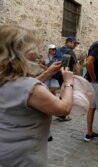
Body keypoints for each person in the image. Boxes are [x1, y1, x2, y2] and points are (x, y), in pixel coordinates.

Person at [0, 25, 74, 166]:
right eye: (32, 47)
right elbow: (64, 109)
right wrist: (69, 83)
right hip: (26, 158)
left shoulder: (5, 78)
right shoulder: (28, 87)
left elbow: (21, 92)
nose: (37, 52)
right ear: (20, 52)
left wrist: (47, 74)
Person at [57, 36, 81, 121]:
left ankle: (59, 112)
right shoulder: (70, 52)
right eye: (74, 43)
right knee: (66, 94)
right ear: (68, 42)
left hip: (58, 74)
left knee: (62, 92)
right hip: (66, 74)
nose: (76, 45)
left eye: (76, 44)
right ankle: (63, 115)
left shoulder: (60, 49)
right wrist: (79, 77)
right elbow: (76, 66)